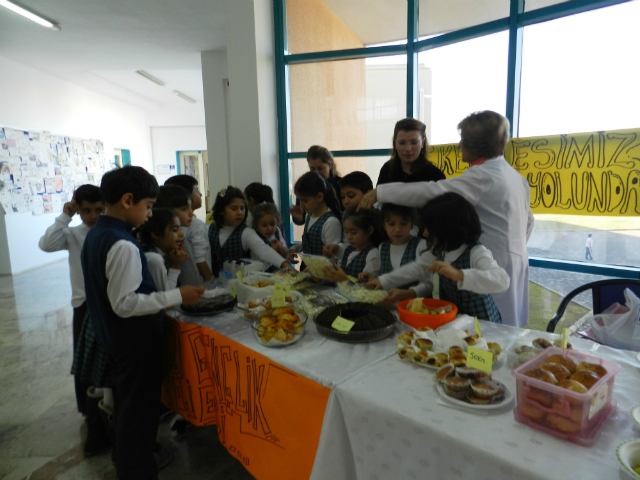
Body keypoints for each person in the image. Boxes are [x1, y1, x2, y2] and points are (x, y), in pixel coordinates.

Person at [81, 166, 204, 480]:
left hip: (117, 341)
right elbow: (126, 304)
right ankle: (137, 470)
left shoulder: (97, 234)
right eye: (148, 207)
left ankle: (130, 464)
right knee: (138, 417)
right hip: (134, 344)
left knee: (129, 411)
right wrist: (177, 295)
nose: (150, 214)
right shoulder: (122, 245)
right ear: (127, 200)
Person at [360, 110, 534, 327]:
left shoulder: (482, 176)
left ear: (476, 144)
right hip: (513, 261)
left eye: (462, 140)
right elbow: (529, 222)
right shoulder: (514, 176)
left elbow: (434, 191)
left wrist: (382, 192)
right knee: (505, 330)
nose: (459, 145)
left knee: (489, 329)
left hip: (488, 265)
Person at [38, 184, 108, 453]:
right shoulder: (73, 233)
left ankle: (104, 406)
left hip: (106, 303)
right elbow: (46, 244)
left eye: (98, 210)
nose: (92, 216)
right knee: (84, 359)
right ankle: (88, 409)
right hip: (83, 305)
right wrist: (64, 216)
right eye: (86, 211)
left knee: (103, 358)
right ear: (77, 209)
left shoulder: (107, 233)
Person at [366, 193, 509, 322]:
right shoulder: (438, 250)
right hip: (454, 320)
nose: (426, 234)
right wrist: (383, 280)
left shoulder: (476, 252)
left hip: (483, 324)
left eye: (430, 229)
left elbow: (502, 280)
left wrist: (460, 275)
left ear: (447, 230)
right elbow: (417, 268)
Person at [208, 186, 293, 275]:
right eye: (234, 208)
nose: (239, 213)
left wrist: (285, 264)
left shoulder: (246, 232)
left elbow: (263, 250)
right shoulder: (209, 230)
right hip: (214, 283)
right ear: (221, 210)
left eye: (242, 208)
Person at [360, 203, 431, 301]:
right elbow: (384, 275)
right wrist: (374, 277)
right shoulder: (383, 247)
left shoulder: (421, 245)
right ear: (384, 225)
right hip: (391, 305)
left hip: (414, 306)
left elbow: (429, 284)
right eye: (391, 224)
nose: (397, 229)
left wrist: (408, 293)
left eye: (403, 223)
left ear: (412, 224)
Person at [164, 175, 214, 283]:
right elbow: (199, 259)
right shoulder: (195, 225)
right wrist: (211, 280)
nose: (200, 194)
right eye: (197, 190)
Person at [289, 172, 343, 266]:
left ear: (319, 197)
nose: (301, 205)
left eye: (305, 201)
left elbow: (333, 258)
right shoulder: (309, 216)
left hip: (324, 277)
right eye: (299, 200)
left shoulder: (331, 222)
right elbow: (310, 245)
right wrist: (294, 248)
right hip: (310, 273)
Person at [154, 185, 203, 287]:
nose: (191, 214)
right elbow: (192, 283)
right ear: (166, 212)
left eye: (190, 208)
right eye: (184, 209)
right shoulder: (178, 242)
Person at [376, 118, 446, 186]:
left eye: (414, 142)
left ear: (422, 143)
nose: (408, 149)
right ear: (395, 144)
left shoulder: (435, 175)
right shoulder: (387, 170)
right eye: (402, 143)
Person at [134, 208, 190, 291]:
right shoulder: (154, 259)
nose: (181, 234)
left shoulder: (163, 252)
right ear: (156, 234)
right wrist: (175, 266)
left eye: (180, 229)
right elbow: (166, 299)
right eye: (175, 230)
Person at [322, 207, 382, 282]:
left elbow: (367, 285)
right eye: (347, 232)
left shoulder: (373, 254)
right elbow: (339, 249)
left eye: (353, 233)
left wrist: (345, 278)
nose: (348, 237)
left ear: (369, 230)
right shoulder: (348, 249)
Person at [290, 145, 342, 225]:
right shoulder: (305, 185)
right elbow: (301, 218)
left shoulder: (341, 185)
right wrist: (299, 217)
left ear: (330, 165)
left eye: (320, 168)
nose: (316, 172)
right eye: (312, 169)